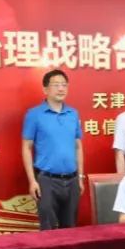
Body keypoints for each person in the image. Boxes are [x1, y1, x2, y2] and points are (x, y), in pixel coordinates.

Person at [22, 69, 84, 230]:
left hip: (72, 180)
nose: (61, 88)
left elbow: (78, 146)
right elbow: (26, 148)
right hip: (46, 180)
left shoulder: (73, 114)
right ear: (45, 89)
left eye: (64, 85)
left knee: (70, 228)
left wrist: (80, 177)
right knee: (48, 229)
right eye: (56, 85)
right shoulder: (34, 114)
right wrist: (32, 181)